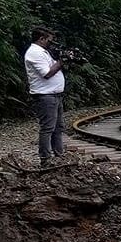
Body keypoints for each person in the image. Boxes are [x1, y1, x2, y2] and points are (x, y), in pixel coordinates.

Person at [24, 28, 71, 165]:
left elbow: (54, 67)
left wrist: (64, 61)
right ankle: (45, 159)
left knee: (58, 127)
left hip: (54, 95)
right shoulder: (34, 53)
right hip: (45, 96)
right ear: (41, 39)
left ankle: (58, 155)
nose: (52, 43)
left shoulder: (43, 52)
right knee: (48, 128)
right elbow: (47, 73)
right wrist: (61, 61)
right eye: (49, 40)